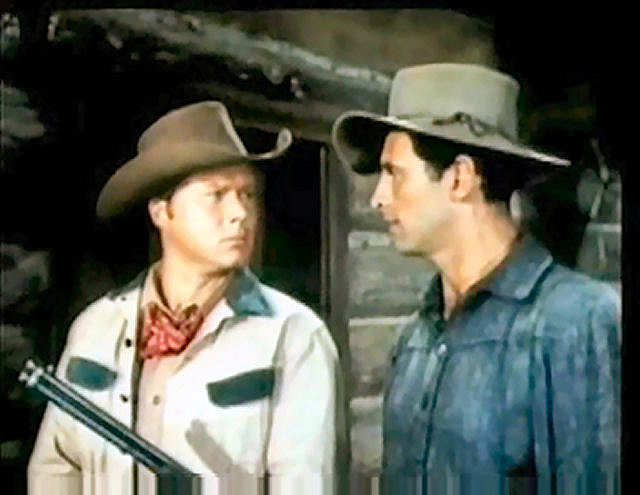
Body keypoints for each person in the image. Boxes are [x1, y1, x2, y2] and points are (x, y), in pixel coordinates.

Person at [332, 64, 620, 494]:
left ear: (461, 178)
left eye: (394, 173)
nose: (378, 197)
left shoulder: (574, 322)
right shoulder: (417, 338)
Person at [28, 101, 342, 495]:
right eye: (217, 195)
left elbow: (304, 484)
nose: (239, 214)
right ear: (162, 212)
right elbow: (57, 466)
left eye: (247, 195)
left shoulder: (293, 337)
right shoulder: (96, 327)